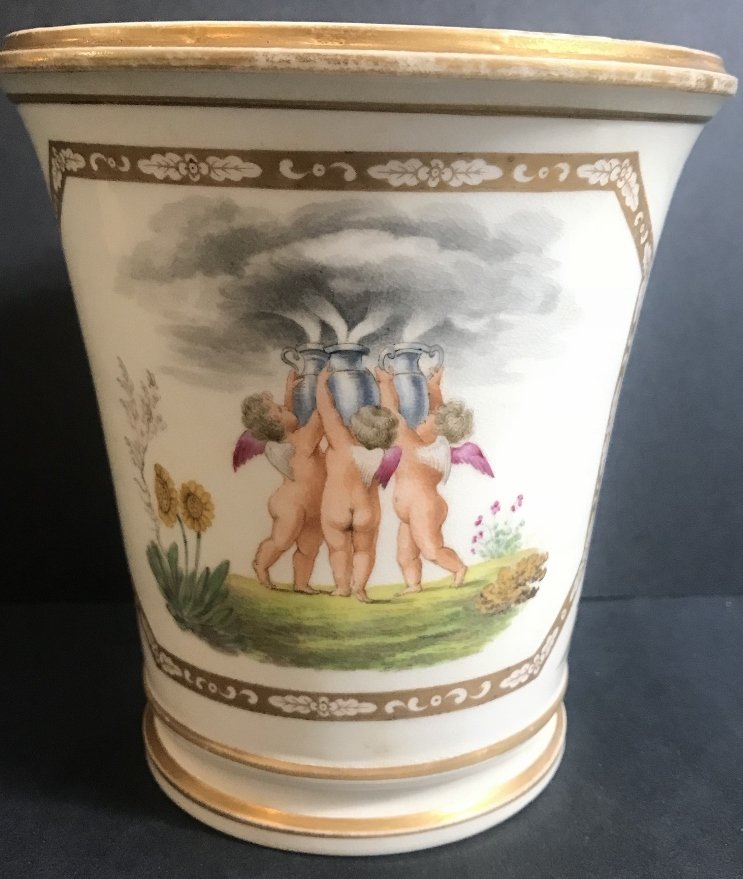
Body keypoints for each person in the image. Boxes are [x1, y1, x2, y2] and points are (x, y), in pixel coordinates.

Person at [377, 366, 482, 592]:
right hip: (413, 510)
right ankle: (413, 585)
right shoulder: (437, 444)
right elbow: (437, 413)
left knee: (431, 550)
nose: (421, 421)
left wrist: (386, 384)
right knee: (405, 555)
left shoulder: (413, 445)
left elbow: (393, 415)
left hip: (423, 508)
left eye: (425, 421)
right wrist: (434, 387)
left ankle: (458, 568)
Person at [233, 370, 326, 593]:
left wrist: (290, 390)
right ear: (277, 421)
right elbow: (319, 418)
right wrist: (323, 389)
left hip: (313, 506)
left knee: (310, 547)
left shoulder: (290, 436)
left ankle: (301, 583)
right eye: (281, 409)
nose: (286, 407)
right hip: (291, 505)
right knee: (282, 541)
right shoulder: (300, 442)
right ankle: (261, 564)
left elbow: (290, 418)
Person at [315, 368, 398, 602]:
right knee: (364, 550)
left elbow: (327, 411)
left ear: (354, 425)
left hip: (336, 508)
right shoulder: (383, 451)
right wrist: (385, 382)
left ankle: (342, 587)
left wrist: (321, 384)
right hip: (366, 511)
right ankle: (360, 589)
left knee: (338, 549)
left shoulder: (341, 440)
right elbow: (392, 414)